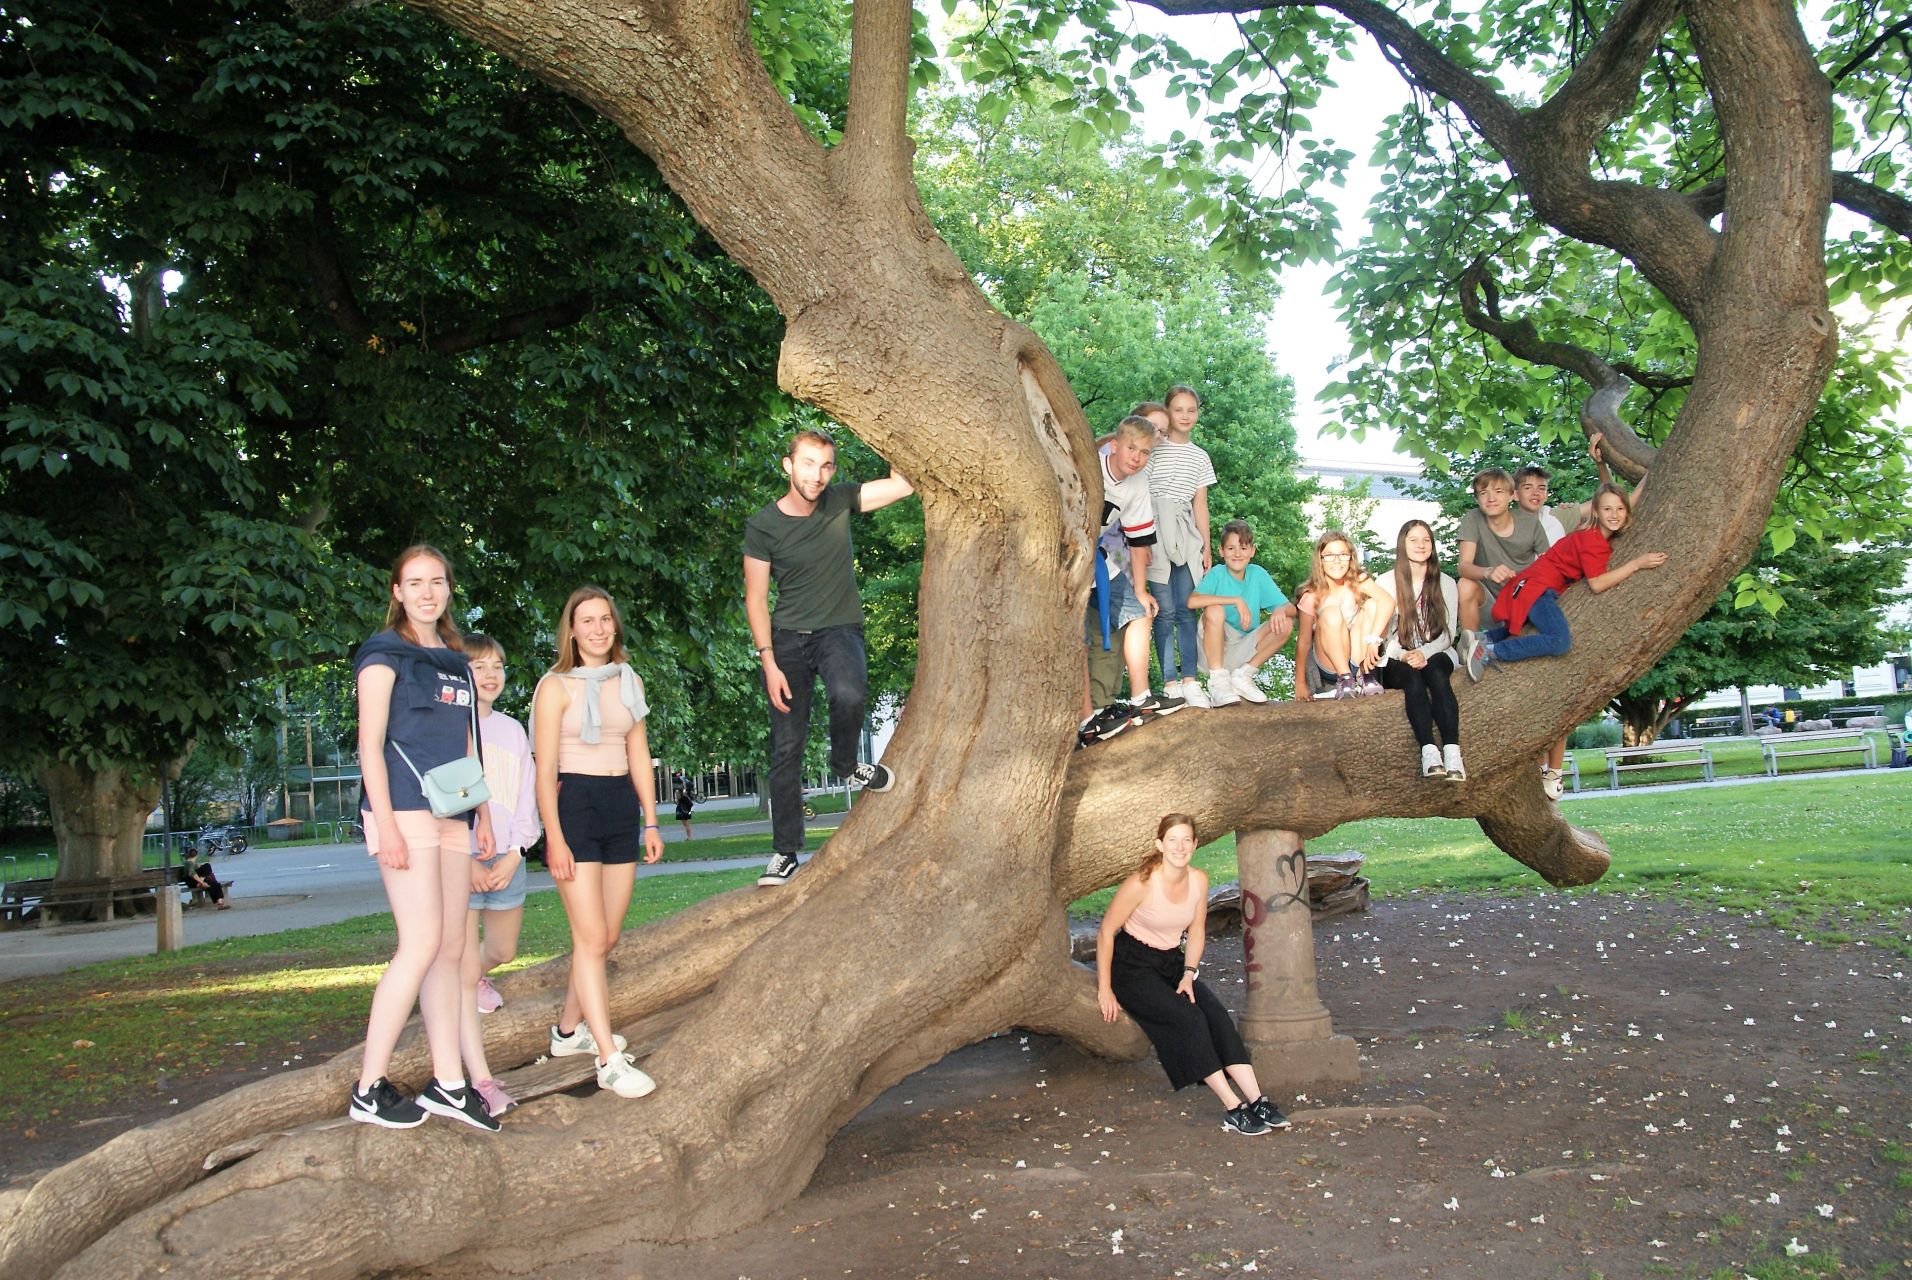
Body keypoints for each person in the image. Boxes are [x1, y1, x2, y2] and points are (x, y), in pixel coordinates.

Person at [348, 544, 499, 1132]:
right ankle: (368, 1087)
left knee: (453, 947)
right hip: (404, 813)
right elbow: (370, 745)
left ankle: (450, 1083)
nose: (427, 592)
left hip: (454, 813)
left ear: (448, 589)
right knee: (420, 942)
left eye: (437, 581)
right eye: (415, 583)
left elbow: (467, 744)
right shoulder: (382, 654)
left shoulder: (457, 661)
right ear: (397, 592)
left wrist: (482, 812)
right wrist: (384, 824)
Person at [744, 428, 915, 887]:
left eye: (825, 466)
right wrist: (769, 662)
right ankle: (784, 854)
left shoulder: (840, 500)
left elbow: (903, 484)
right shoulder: (763, 525)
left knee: (849, 693)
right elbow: (756, 598)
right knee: (786, 748)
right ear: (788, 465)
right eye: (807, 464)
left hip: (838, 630)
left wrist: (886, 425)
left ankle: (845, 764)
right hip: (785, 643)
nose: (817, 476)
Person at [531, 587, 665, 1099]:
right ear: (571, 630)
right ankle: (608, 1059)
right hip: (576, 807)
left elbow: (638, 752)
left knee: (604, 938)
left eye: (605, 619)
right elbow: (545, 773)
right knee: (589, 938)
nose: (598, 628)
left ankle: (568, 1032)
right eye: (587, 621)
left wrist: (650, 821)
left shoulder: (627, 679)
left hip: (618, 805)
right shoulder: (555, 688)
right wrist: (555, 840)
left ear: (615, 625)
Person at [1096, 814, 1288, 1136]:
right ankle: (1233, 1108)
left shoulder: (1198, 880)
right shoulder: (1142, 883)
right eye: (1172, 839)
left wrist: (1188, 973)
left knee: (1215, 1015)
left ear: (1196, 844)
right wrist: (1105, 988)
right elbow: (1105, 932)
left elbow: (1197, 931)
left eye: (1187, 840)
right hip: (1131, 966)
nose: (1180, 847)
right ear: (1160, 844)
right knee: (1189, 1020)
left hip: (1172, 962)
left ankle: (1257, 1100)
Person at [457, 633, 539, 1118]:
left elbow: (525, 795)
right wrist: (465, 858)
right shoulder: (449, 730)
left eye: (498, 665)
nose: (490, 675)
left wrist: (515, 851)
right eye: (479, 666)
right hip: (460, 861)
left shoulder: (512, 730)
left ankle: (471, 979)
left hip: (508, 856)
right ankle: (480, 1079)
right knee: (464, 968)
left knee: (502, 950)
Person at [1465, 483, 1667, 680]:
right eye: (1607, 508)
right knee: (1559, 641)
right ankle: (1490, 651)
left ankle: (1484, 638)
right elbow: (1596, 584)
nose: (1614, 514)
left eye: (1620, 508)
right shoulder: (1592, 540)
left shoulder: (1592, 536)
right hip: (1538, 589)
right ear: (1596, 511)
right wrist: (1636, 564)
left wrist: (1649, 475)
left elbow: (1635, 494)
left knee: (1526, 622)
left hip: (1530, 584)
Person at [1080, 415, 1185, 746]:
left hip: (1095, 558)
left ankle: (1141, 698)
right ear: (1115, 445)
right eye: (1131, 448)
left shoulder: (1138, 485)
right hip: (1062, 555)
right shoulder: (1090, 466)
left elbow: (1140, 542)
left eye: (1144, 452)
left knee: (1139, 611)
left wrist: (1140, 591)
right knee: (1074, 638)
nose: (1136, 457)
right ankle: (1086, 719)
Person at [1148, 385, 1218, 708]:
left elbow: (1200, 503)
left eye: (1191, 410)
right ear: (1168, 412)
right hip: (1156, 529)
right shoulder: (1155, 448)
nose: (1185, 416)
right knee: (1164, 610)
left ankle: (1190, 679)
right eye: (1179, 410)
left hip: (1187, 532)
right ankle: (1170, 682)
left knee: (1187, 608)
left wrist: (1205, 546)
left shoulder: (1200, 456)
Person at [1379, 521, 1466, 780]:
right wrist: (1403, 654)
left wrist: (1424, 653)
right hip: (1397, 655)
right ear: (1402, 544)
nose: (1420, 545)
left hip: (1436, 651)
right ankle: (1429, 752)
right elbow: (1381, 636)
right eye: (1413, 539)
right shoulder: (1386, 581)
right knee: (1412, 678)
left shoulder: (1446, 582)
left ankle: (1453, 753)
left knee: (1437, 673)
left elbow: (1448, 633)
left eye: (1426, 540)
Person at [1185, 519, 1296, 707]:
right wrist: (1235, 600)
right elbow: (1192, 601)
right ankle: (1218, 682)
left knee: (1285, 622)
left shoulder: (1258, 574)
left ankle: (1243, 676)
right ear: (1221, 551)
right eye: (1231, 549)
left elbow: (1291, 608)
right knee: (1214, 610)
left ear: (1252, 551)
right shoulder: (1217, 574)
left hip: (1243, 649)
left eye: (1243, 548)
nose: (1237, 554)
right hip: (1212, 651)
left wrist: (1279, 609)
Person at [1455, 467, 1548, 651]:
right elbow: (1463, 566)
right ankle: (1470, 648)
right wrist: (1488, 571)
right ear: (1476, 498)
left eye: (1498, 492)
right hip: (1491, 603)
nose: (1491, 498)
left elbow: (1549, 562)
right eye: (1484, 493)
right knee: (1465, 585)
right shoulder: (1473, 519)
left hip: (1522, 600)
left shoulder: (1530, 523)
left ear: (1512, 495)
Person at [1293, 531, 1393, 700]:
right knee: (1332, 611)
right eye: (1330, 555)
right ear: (1321, 560)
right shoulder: (1311, 595)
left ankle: (1364, 675)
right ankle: (1345, 679)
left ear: (1351, 558)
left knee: (1374, 605)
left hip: (1357, 655)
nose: (1337, 561)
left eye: (1343, 555)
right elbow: (1303, 641)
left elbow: (1388, 601)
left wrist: (1373, 640)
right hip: (1329, 662)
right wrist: (1300, 683)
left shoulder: (1358, 581)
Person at [673, 771, 695, 840]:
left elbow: (677, 801)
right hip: (685, 809)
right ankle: (689, 837)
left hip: (681, 809)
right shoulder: (684, 792)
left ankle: (690, 837)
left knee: (686, 825)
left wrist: (676, 797)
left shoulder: (677, 792)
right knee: (687, 824)